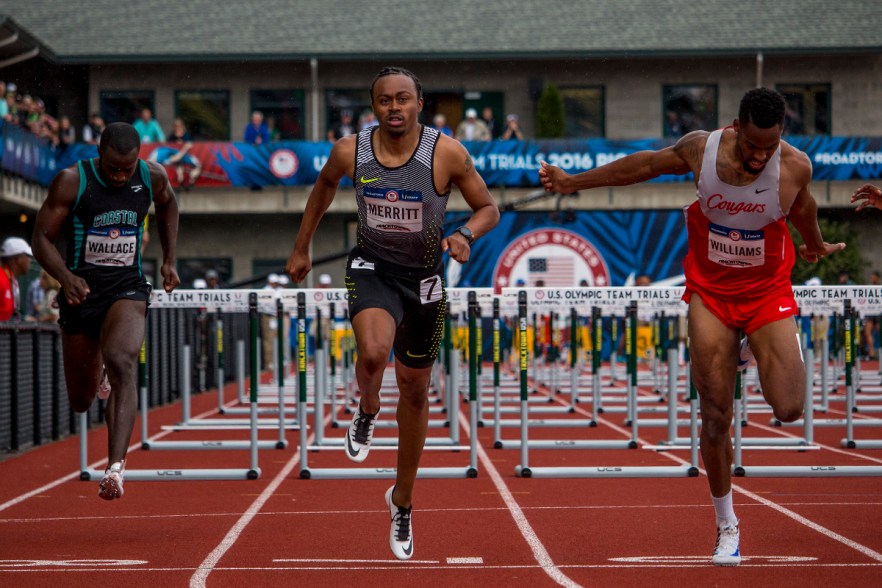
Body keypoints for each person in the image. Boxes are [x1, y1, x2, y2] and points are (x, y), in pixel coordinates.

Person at [539, 87, 845, 567]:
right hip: (711, 292)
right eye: (751, 147)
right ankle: (727, 525)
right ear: (736, 128)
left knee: (788, 408)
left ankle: (750, 351)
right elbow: (641, 167)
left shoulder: (793, 165)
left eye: (770, 146)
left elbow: (802, 205)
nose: (759, 156)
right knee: (716, 414)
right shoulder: (700, 149)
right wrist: (573, 182)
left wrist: (813, 244)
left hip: (767, 292)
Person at [286, 66, 499, 560]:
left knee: (418, 391)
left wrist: (466, 235)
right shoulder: (351, 151)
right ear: (374, 106)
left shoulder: (445, 153)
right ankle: (367, 408)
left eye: (403, 99)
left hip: (423, 279)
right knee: (374, 352)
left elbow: (488, 208)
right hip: (372, 269)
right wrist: (302, 248)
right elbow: (322, 189)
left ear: (419, 103)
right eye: (385, 101)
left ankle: (401, 499)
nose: (394, 108)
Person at [32, 122, 180, 501]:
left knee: (123, 359)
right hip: (80, 290)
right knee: (81, 401)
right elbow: (41, 240)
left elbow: (169, 204)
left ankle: (115, 468)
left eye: (127, 169)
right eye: (113, 168)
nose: (119, 176)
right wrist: (65, 278)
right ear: (99, 155)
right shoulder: (71, 181)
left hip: (126, 286)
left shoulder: (151, 176)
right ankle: (99, 370)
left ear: (137, 161)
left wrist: (168, 260)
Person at [162, 118, 202, 191]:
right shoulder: (172, 136)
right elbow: (168, 146)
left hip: (186, 155)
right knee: (179, 164)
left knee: (197, 165)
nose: (177, 127)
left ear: (182, 126)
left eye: (179, 125)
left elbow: (190, 144)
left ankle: (190, 180)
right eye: (176, 126)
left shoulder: (186, 135)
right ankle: (181, 181)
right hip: (176, 156)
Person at [1, 237, 34, 321]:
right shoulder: (1, 278)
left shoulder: (11, 279)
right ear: (18, 259)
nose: (30, 260)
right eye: (28, 256)